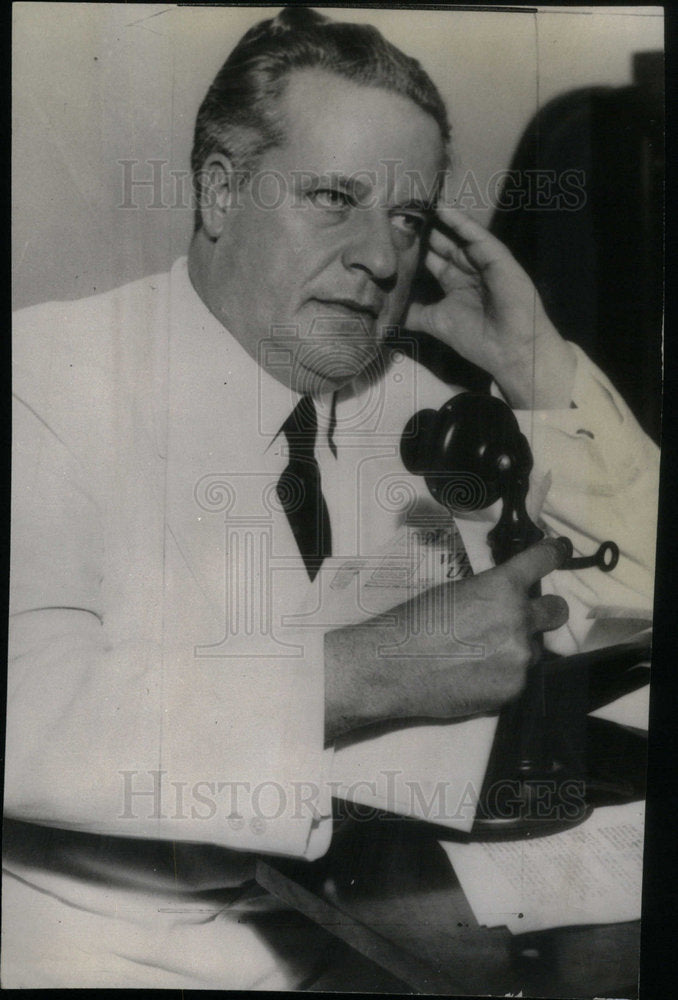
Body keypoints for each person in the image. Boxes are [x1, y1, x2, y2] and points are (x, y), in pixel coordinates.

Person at [4, 6, 658, 990]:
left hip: (366, 951)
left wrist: (535, 369)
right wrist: (373, 669)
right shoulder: (48, 380)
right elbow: (30, 711)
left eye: (407, 218)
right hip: (102, 960)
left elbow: (635, 604)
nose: (384, 259)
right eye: (333, 198)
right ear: (220, 190)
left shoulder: (423, 405)